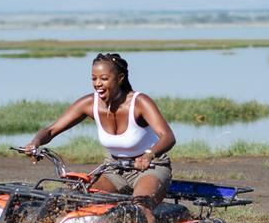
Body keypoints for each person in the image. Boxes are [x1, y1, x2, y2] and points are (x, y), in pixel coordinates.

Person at [22, 52, 176, 205]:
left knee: (141, 206)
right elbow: (51, 130)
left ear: (120, 78)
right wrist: (36, 142)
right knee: (82, 201)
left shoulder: (139, 102)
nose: (97, 84)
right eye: (94, 79)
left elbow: (167, 136)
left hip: (150, 168)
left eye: (104, 78)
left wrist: (149, 155)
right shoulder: (90, 103)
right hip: (114, 170)